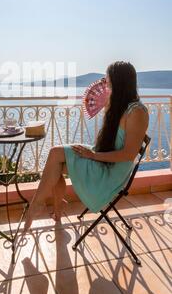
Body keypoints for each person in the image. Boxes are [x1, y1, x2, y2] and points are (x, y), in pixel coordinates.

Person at [23, 61, 149, 232]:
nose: (105, 81)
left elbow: (128, 154)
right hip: (101, 157)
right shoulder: (118, 105)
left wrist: (93, 156)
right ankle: (55, 207)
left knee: (56, 160)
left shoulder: (137, 112)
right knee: (55, 157)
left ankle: (37, 205)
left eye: (108, 77)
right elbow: (108, 140)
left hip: (111, 171)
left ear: (118, 81)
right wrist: (108, 108)